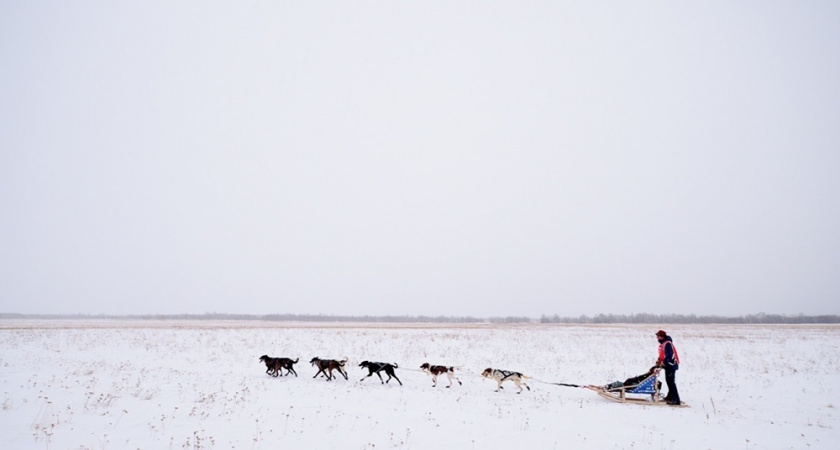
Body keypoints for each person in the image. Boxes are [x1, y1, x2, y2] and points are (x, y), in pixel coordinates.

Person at [656, 329, 681, 405]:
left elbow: (669, 356)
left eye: (658, 336)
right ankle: (670, 397)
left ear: (662, 336)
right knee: (669, 381)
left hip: (671, 365)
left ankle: (676, 400)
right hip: (668, 365)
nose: (657, 337)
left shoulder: (667, 344)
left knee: (671, 382)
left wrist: (664, 362)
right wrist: (659, 361)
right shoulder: (663, 344)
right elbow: (662, 355)